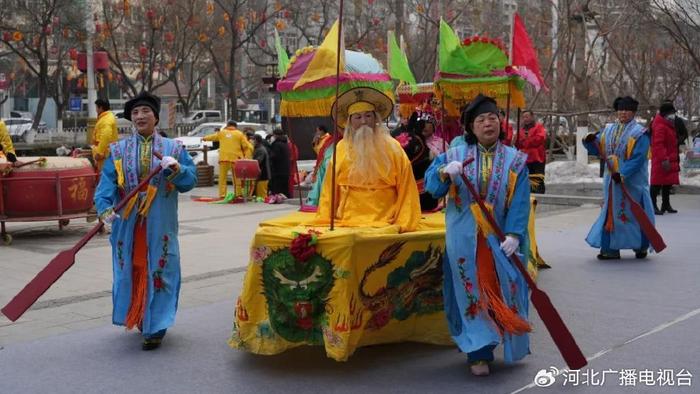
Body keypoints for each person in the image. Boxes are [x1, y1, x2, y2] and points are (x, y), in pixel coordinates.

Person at [425, 94, 532, 376]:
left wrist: (514, 234)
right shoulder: (453, 156)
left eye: (493, 118)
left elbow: (520, 201)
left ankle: (501, 337)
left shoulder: (515, 161)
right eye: (481, 120)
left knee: (501, 289)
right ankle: (478, 352)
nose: (488, 124)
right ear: (471, 127)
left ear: (501, 122)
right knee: (469, 290)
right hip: (464, 240)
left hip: (499, 239)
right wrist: (444, 174)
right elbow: (432, 188)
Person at [93, 91, 197, 350]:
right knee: (134, 266)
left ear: (156, 117)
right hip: (128, 222)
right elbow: (105, 184)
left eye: (145, 111)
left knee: (161, 267)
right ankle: (139, 314)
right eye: (135, 113)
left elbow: (190, 181)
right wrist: (105, 208)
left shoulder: (174, 149)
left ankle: (156, 325)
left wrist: (178, 169)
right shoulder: (117, 151)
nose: (140, 116)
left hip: (160, 220)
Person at [314, 87, 420, 232]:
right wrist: (326, 222)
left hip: (386, 221)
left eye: (368, 116)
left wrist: (403, 224)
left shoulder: (393, 148)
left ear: (375, 118)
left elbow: (407, 188)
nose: (364, 121)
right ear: (350, 121)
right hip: (348, 222)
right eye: (358, 117)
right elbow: (329, 190)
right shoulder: (341, 149)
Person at [583, 96, 654, 260]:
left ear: (633, 113)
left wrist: (623, 173)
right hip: (611, 180)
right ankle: (610, 249)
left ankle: (640, 247)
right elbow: (597, 149)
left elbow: (638, 158)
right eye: (620, 109)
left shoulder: (640, 133)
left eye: (627, 110)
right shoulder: (608, 130)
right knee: (611, 212)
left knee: (636, 212)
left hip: (632, 181)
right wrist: (589, 141)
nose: (623, 113)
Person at [202, 120, 253, 199]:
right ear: (235, 126)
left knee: (222, 178)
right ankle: (238, 194)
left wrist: (204, 138)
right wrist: (251, 149)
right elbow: (246, 146)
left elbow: (213, 137)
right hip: (235, 159)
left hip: (223, 159)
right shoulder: (239, 134)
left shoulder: (222, 133)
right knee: (236, 179)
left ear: (227, 125)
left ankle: (222, 195)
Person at [650, 101, 680, 215]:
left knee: (667, 182)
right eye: (671, 113)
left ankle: (665, 204)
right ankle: (652, 205)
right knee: (656, 183)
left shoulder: (668, 124)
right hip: (661, 159)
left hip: (669, 157)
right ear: (665, 114)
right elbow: (658, 144)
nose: (673, 115)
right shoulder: (660, 126)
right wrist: (664, 158)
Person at [514, 110, 547, 194]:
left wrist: (527, 139)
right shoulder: (520, 130)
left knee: (538, 177)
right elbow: (518, 143)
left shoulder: (539, 127)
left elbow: (539, 139)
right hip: (525, 158)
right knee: (527, 178)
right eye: (524, 117)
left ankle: (539, 194)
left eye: (527, 116)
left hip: (537, 157)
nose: (525, 119)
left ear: (532, 117)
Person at [91, 98, 119, 173]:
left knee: (104, 175)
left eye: (96, 107)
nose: (96, 110)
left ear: (101, 108)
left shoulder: (107, 119)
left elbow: (105, 136)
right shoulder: (106, 117)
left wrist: (99, 152)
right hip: (104, 152)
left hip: (104, 154)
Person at [268, 128, 291, 197]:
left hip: (278, 170)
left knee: (278, 189)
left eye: (273, 135)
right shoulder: (285, 143)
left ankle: (278, 198)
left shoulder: (277, 144)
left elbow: (274, 156)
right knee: (284, 188)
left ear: (276, 135)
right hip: (285, 170)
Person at [252, 134, 271, 198]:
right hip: (261, 175)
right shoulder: (258, 148)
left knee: (262, 196)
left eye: (253, 139)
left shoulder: (261, 149)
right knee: (259, 195)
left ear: (256, 140)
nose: (251, 141)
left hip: (263, 175)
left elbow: (257, 161)